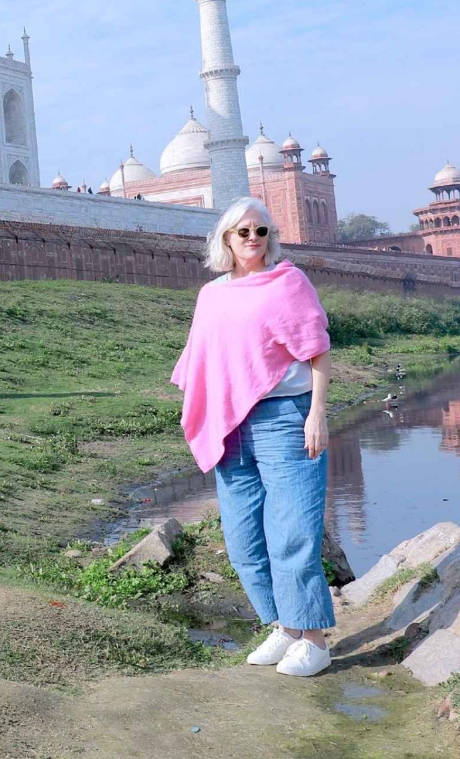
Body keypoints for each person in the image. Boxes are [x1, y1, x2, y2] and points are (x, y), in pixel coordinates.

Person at [170, 197, 334, 677]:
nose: (252, 239)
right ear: (226, 237)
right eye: (243, 231)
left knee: (293, 533)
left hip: (285, 417)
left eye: (261, 231)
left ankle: (315, 641)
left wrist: (317, 415)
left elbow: (318, 350)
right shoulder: (212, 294)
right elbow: (205, 358)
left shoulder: (287, 281)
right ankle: (285, 626)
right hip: (231, 424)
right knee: (243, 540)